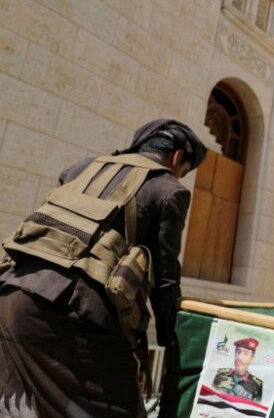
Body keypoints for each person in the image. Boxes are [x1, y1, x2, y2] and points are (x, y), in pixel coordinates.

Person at [0, 119, 206, 417]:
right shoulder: (168, 189)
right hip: (77, 316)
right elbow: (165, 279)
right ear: (176, 158)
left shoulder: (82, 167)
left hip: (11, 293)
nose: (180, 176)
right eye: (184, 171)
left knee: (22, 408)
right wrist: (172, 341)